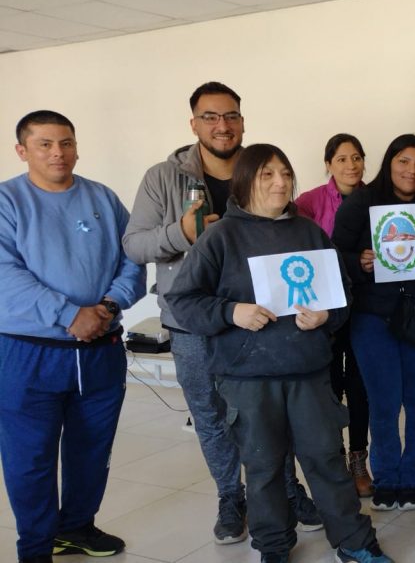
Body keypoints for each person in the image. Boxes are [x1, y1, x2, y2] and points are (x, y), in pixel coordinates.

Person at [165, 144, 392, 563]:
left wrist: (326, 316)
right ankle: (273, 546)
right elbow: (182, 300)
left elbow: (342, 297)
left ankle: (355, 541)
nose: (281, 182)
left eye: (286, 174)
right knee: (264, 467)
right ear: (245, 180)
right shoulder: (221, 237)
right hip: (247, 378)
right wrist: (232, 311)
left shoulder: (309, 233)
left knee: (327, 460)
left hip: (308, 372)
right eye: (267, 174)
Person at [123, 81, 321, 544]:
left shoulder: (260, 168)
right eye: (210, 117)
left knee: (271, 411)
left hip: (260, 315)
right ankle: (231, 497)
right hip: (191, 317)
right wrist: (182, 234)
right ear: (193, 123)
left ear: (243, 121)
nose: (222, 125)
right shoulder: (162, 177)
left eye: (230, 115)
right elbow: (134, 244)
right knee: (210, 413)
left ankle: (287, 491)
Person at [0, 110, 146, 563]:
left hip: (100, 349)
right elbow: (5, 274)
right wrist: (68, 314)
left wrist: (107, 307)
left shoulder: (102, 197)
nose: (58, 152)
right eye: (44, 144)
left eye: (66, 142)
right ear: (23, 150)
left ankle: (77, 526)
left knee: (92, 449)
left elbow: (134, 257)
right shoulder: (8, 201)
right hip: (30, 355)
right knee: (31, 458)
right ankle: (37, 547)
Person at [333, 134, 415, 511]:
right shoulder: (361, 202)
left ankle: (414, 479)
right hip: (372, 318)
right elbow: (334, 253)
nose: (411, 170)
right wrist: (358, 263)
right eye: (403, 161)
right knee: (382, 402)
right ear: (388, 162)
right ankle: (386, 478)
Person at [295, 133, 373, 497]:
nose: (351, 165)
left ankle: (359, 458)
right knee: (330, 385)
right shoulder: (309, 202)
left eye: (356, 157)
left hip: (365, 305)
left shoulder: (376, 199)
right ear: (328, 164)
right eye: (342, 159)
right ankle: (338, 457)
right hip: (323, 310)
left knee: (360, 385)